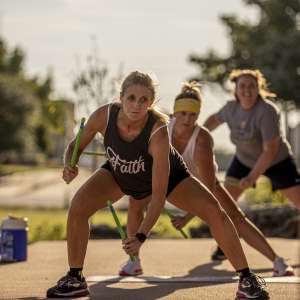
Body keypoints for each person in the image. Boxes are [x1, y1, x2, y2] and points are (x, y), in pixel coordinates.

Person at [47, 71, 268, 299]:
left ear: (151, 102)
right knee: (78, 208)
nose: (136, 105)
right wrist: (69, 164)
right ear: (121, 97)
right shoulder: (103, 115)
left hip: (170, 179)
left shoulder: (158, 132)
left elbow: (159, 195)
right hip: (120, 172)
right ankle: (75, 279)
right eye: (131, 98)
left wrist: (141, 236)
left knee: (215, 212)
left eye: (144, 100)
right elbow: (76, 145)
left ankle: (247, 279)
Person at [119, 81, 293, 279]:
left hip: (200, 183)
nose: (187, 119)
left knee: (235, 217)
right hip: (165, 178)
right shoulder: (161, 129)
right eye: (183, 113)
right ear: (174, 114)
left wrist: (187, 217)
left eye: (193, 115)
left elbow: (208, 189)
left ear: (198, 115)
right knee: (135, 202)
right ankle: (134, 261)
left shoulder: (202, 139)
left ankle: (277, 261)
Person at [203, 69, 300, 210]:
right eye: (242, 86)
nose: (247, 90)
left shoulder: (267, 111)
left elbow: (270, 151)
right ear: (236, 89)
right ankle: (227, 232)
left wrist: (251, 178)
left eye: (251, 86)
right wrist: (195, 136)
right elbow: (213, 120)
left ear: (258, 88)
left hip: (277, 161)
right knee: (223, 204)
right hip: (244, 160)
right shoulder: (230, 108)